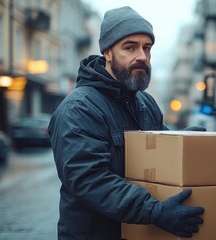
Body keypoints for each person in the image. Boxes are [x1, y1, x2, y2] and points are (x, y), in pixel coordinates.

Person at [48, 6, 204, 240]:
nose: (142, 56)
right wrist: (153, 210)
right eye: (130, 47)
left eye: (147, 48)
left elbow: (158, 154)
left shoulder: (146, 102)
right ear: (108, 53)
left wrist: (183, 141)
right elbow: (89, 178)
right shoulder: (79, 108)